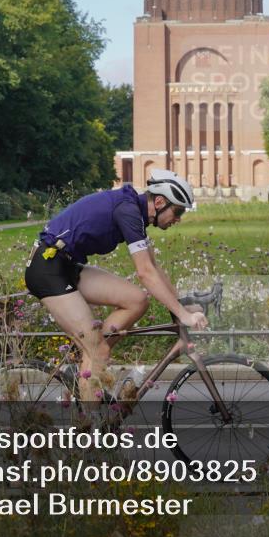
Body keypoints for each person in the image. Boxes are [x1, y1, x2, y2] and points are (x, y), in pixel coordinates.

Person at [24, 169, 209, 402]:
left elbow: (154, 266)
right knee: (96, 348)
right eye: (178, 210)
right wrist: (182, 315)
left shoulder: (135, 212)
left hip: (67, 266)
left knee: (137, 300)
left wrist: (179, 308)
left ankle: (92, 360)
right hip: (47, 268)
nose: (179, 218)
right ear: (160, 202)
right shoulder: (129, 211)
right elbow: (145, 273)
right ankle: (92, 430)